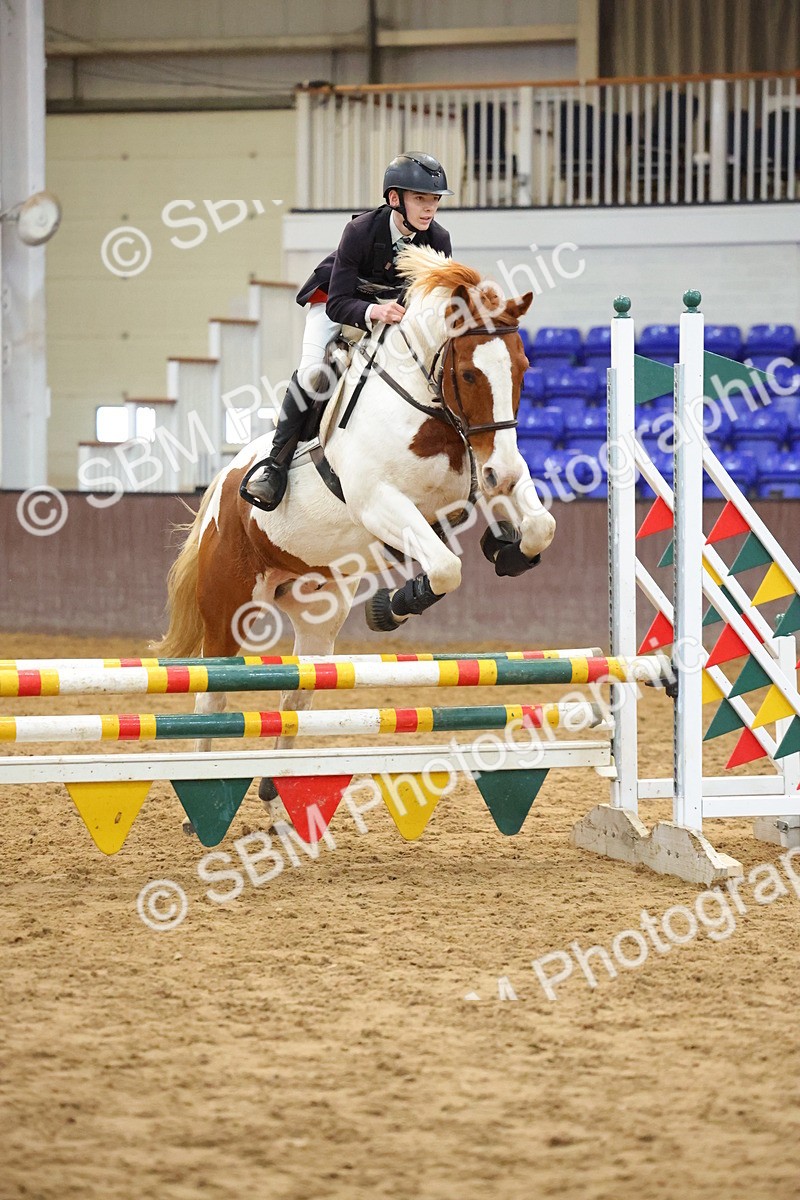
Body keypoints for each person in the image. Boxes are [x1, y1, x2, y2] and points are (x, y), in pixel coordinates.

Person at [241, 151, 453, 510]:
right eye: (420, 199)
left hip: (393, 311)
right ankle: (274, 466)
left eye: (434, 200)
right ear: (394, 199)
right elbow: (339, 303)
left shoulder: (438, 239)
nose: (429, 208)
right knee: (314, 374)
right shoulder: (359, 231)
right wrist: (375, 310)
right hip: (336, 304)